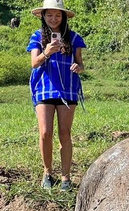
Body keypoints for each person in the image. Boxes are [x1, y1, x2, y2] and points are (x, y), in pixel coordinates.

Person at [27, 0, 86, 191]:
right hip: (44, 87)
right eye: (49, 15)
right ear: (43, 16)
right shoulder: (37, 37)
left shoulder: (74, 38)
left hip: (68, 89)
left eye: (58, 15)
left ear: (63, 17)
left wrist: (79, 67)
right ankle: (47, 172)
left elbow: (80, 64)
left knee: (65, 133)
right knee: (45, 132)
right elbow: (34, 63)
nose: (54, 19)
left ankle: (66, 178)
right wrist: (47, 52)